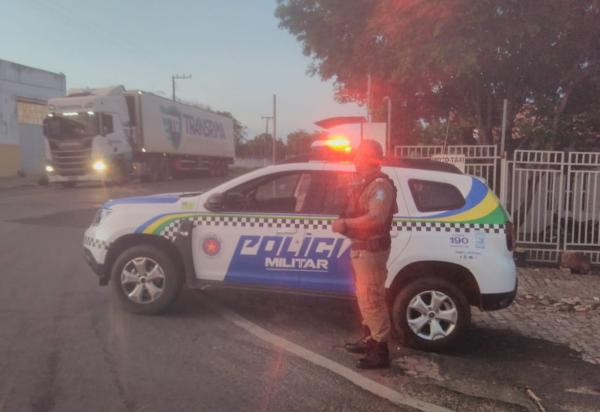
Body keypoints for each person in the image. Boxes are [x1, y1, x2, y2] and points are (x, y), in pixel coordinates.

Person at [332, 139, 397, 369]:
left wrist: (345, 223)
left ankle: (380, 352)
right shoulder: (366, 183)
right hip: (363, 251)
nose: (355, 159)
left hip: (371, 251)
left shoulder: (380, 185)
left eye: (358, 155)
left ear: (369, 158)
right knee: (365, 297)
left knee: (372, 299)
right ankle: (369, 339)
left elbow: (376, 217)